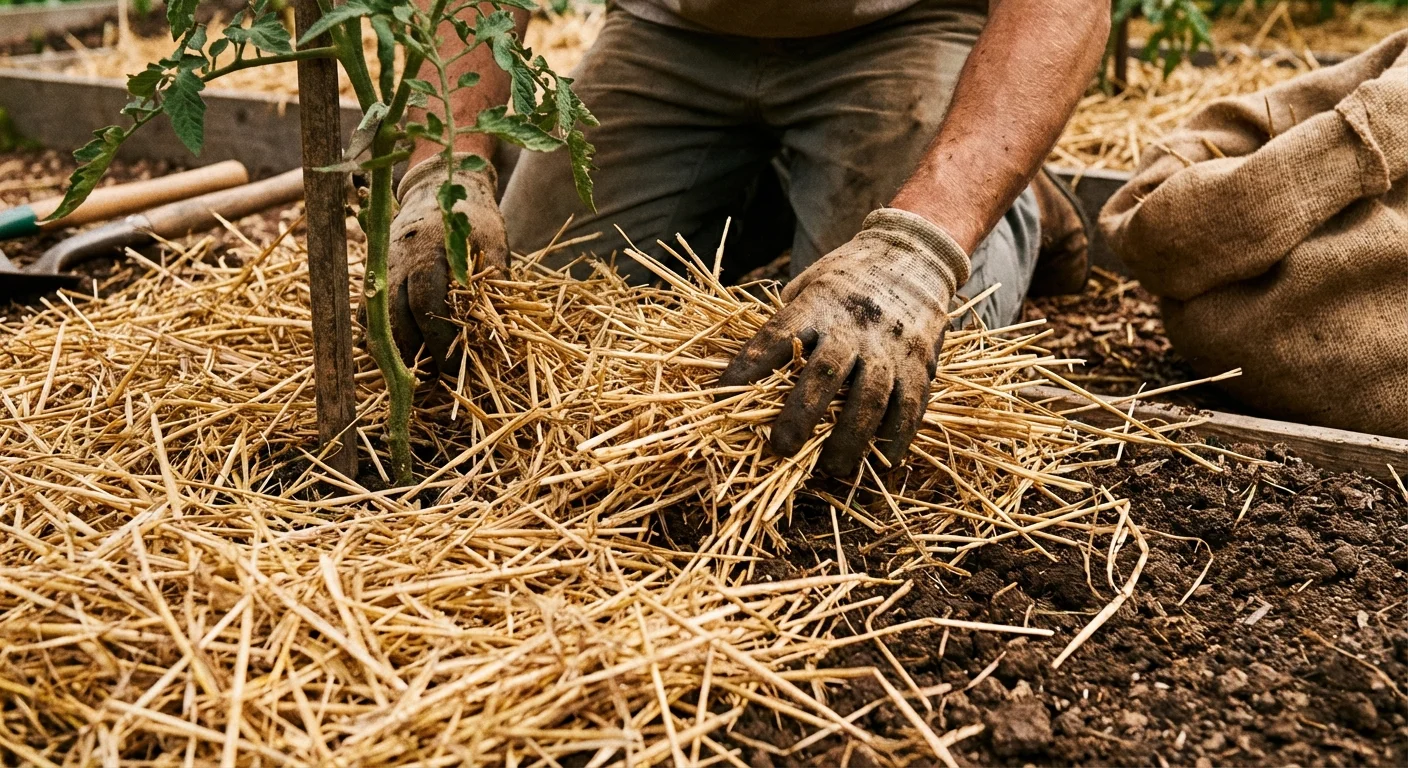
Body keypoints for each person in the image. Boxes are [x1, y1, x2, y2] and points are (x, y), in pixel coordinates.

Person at [386, 0, 1107, 477]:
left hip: (906, 24)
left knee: (904, 363)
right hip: (671, 27)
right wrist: (442, 163)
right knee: (538, 311)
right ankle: (783, 186)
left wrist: (929, 240)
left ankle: (1006, 182)